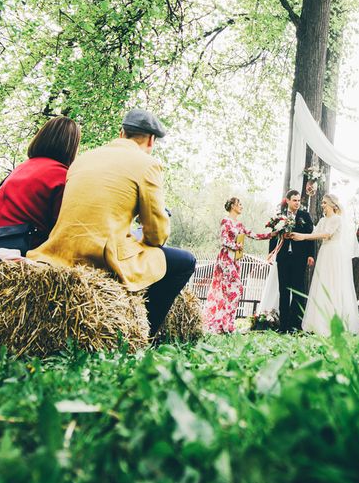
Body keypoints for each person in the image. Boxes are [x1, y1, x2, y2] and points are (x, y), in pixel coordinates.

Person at [28, 109, 196, 337]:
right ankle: (143, 333)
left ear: (121, 133)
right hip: (100, 255)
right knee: (184, 261)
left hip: (59, 251)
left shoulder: (82, 160)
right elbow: (157, 234)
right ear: (150, 140)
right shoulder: (147, 164)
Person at [0, 116, 81, 256]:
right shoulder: (60, 176)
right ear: (71, 146)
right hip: (17, 253)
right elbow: (62, 230)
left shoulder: (21, 167)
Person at [201, 197, 272, 334]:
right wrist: (236, 246)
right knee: (235, 288)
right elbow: (223, 240)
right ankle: (222, 323)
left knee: (232, 291)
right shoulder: (225, 221)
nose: (241, 207)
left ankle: (227, 323)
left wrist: (272, 234)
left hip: (236, 260)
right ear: (233, 206)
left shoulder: (239, 225)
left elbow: (253, 235)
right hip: (226, 259)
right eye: (239, 204)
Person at [294, 194, 359, 335]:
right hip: (324, 252)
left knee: (333, 284)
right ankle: (318, 323)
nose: (322, 205)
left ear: (332, 204)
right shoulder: (323, 220)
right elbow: (314, 232)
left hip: (334, 252)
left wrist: (303, 237)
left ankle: (334, 323)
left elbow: (326, 234)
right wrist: (295, 228)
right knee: (322, 283)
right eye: (322, 203)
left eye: (324, 203)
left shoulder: (337, 219)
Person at [272, 189, 315, 332]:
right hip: (283, 258)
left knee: (298, 291)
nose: (297, 203)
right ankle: (283, 326)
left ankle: (295, 325)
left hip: (300, 258)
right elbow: (273, 236)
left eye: (298, 200)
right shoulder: (279, 216)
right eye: (294, 200)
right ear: (288, 200)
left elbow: (310, 236)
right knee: (283, 291)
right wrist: (272, 254)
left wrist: (310, 255)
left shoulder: (305, 216)